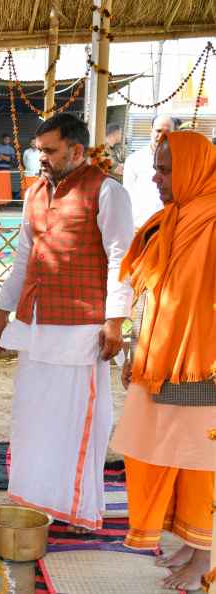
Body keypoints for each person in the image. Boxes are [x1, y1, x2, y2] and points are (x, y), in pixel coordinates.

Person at [0, 113, 133, 531]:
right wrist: (1, 312)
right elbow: (22, 259)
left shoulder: (107, 192)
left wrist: (115, 323)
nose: (42, 159)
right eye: (39, 151)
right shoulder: (34, 193)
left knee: (75, 420)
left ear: (77, 150)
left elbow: (121, 259)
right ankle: (34, 502)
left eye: (49, 151)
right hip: (35, 322)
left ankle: (74, 508)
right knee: (34, 415)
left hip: (82, 325)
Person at [111, 131, 216, 592]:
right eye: (156, 167)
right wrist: (138, 346)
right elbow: (150, 292)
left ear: (194, 169)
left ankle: (206, 557)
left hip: (202, 365)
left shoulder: (212, 219)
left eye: (166, 169)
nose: (156, 177)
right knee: (165, 450)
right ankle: (192, 544)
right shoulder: (170, 219)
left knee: (201, 458)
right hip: (159, 358)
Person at [123, 114, 176, 230]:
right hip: (139, 227)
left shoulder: (181, 159)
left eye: (167, 131)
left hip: (169, 226)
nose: (162, 135)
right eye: (158, 130)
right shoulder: (134, 160)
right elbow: (126, 195)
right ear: (151, 131)